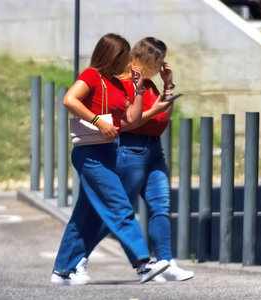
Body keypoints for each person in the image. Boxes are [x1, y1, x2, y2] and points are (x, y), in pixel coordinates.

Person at [51, 33, 169, 286]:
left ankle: (61, 270)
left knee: (85, 215)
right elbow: (69, 99)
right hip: (90, 152)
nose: (126, 62)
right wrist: (96, 121)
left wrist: (138, 91)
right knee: (120, 207)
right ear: (111, 56)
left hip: (109, 151)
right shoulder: (92, 75)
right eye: (122, 57)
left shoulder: (115, 83)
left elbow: (132, 120)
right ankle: (142, 263)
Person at [80, 37, 194, 282]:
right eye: (159, 60)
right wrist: (155, 108)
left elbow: (163, 119)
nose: (162, 65)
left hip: (154, 150)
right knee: (119, 212)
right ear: (149, 58)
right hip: (131, 151)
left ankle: (166, 262)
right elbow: (131, 121)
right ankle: (79, 257)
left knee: (160, 205)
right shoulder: (126, 82)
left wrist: (168, 87)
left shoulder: (150, 84)